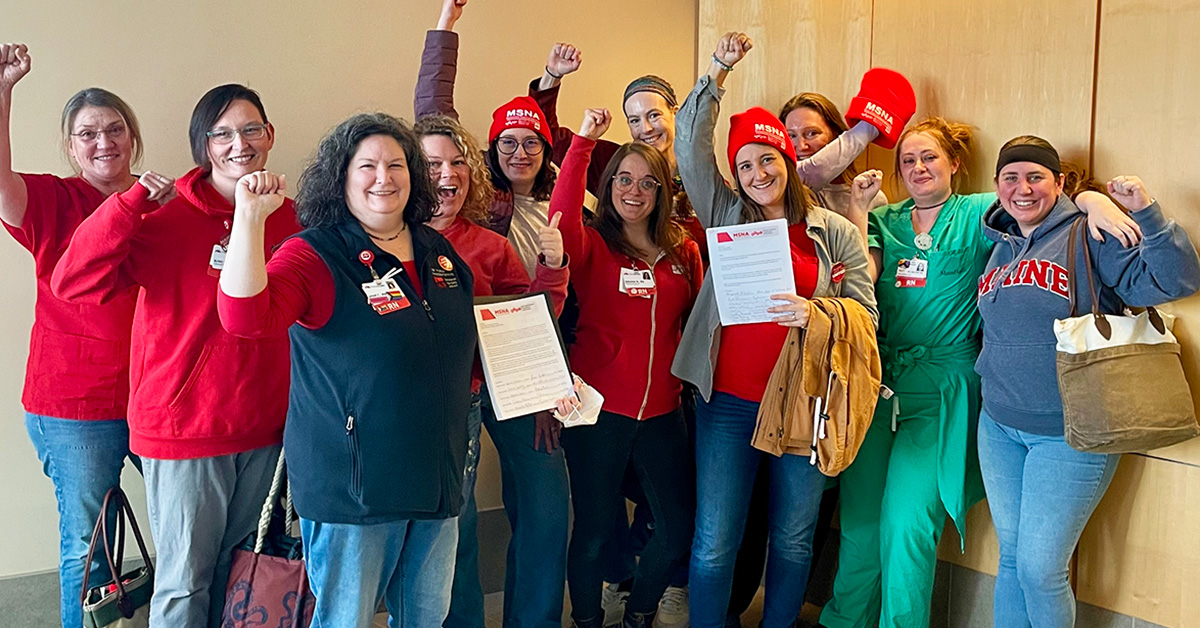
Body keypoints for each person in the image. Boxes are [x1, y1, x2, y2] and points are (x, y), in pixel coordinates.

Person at [817, 120, 1141, 628]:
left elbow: (1040, 202)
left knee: (908, 523)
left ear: (955, 166)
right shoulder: (884, 220)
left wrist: (1095, 200)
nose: (918, 168)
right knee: (858, 523)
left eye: (930, 158)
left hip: (944, 386)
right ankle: (842, 621)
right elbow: (860, 281)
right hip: (877, 385)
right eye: (908, 160)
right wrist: (859, 212)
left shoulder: (978, 214)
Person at [217, 112, 480, 627]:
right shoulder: (314, 254)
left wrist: (545, 382)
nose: (384, 177)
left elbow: (467, 349)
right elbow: (243, 319)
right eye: (368, 166)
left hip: (438, 478)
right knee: (346, 619)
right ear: (342, 178)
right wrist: (249, 218)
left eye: (397, 165)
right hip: (355, 491)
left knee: (428, 617)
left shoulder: (438, 253)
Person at [52, 84, 296, 628]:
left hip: (264, 429)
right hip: (185, 431)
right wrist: (130, 203)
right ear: (203, 146)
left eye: (251, 129)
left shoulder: (288, 218)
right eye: (223, 133)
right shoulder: (164, 218)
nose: (240, 144)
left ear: (270, 136)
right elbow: (73, 280)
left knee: (242, 578)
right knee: (185, 584)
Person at [671, 32, 878, 628]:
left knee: (792, 540)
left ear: (787, 162)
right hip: (728, 404)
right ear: (734, 174)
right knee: (714, 543)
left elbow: (864, 315)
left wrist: (818, 312)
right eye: (745, 164)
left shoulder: (832, 230)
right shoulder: (723, 215)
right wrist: (718, 69)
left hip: (805, 404)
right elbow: (688, 145)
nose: (759, 172)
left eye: (768, 158)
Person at [975, 136, 1199, 628]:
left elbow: (1175, 281)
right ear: (997, 187)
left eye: (1036, 176)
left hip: (1071, 432)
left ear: (1059, 182)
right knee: (1011, 559)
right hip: (998, 426)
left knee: (1040, 569)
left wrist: (1144, 213)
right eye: (1011, 178)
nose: (1023, 188)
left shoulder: (1088, 233)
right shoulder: (998, 242)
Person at [415, 3, 570, 626]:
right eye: (508, 141)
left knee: (549, 504)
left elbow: (534, 315)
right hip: (455, 397)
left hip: (519, 384)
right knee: (457, 525)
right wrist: (445, 30)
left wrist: (553, 271)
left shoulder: (492, 236)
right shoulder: (401, 236)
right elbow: (433, 110)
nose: (447, 176)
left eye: (531, 142)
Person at [0, 43, 157, 628]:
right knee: (90, 549)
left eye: (114, 129)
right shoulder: (52, 199)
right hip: (75, 406)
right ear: (71, 147)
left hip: (154, 398)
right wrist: (4, 92)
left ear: (132, 136)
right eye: (88, 134)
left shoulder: (159, 200)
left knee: (190, 521)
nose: (103, 142)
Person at [550, 108, 704, 628]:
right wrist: (582, 146)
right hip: (599, 412)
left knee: (678, 524)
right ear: (609, 184)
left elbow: (698, 322)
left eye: (646, 183)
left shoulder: (683, 252)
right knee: (594, 530)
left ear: (661, 191)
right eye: (623, 179)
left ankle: (640, 612)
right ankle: (589, 620)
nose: (633, 191)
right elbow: (563, 222)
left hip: (664, 412)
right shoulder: (593, 246)